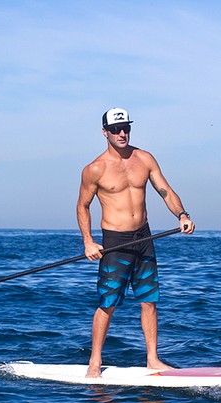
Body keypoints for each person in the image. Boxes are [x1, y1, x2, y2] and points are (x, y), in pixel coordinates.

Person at [76, 107, 195, 378]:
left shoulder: (144, 159)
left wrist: (182, 214)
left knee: (149, 301)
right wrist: (88, 242)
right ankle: (95, 362)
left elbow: (165, 190)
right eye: (116, 129)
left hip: (144, 237)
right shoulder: (94, 169)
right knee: (108, 303)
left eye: (126, 128)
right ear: (104, 132)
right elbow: (83, 206)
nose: (122, 133)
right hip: (115, 242)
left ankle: (152, 359)